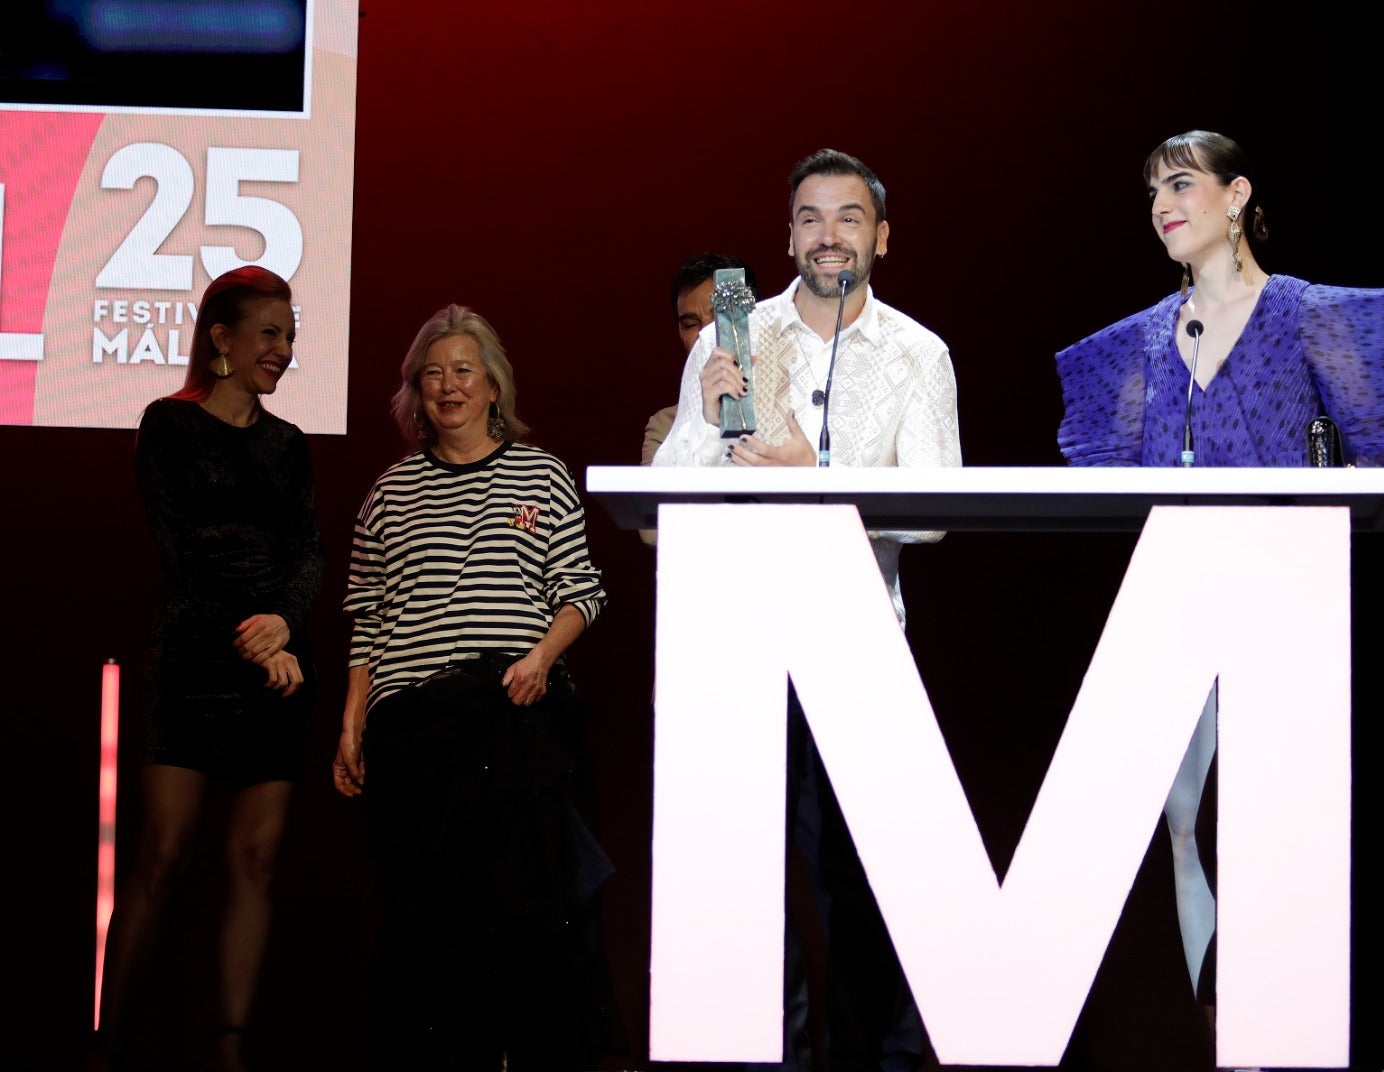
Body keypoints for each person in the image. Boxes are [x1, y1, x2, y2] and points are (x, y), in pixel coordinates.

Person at [1053, 129, 1384, 1054]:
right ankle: (1226, 1031)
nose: (1162, 205)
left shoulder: (1304, 314)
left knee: (1273, 824)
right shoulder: (1142, 340)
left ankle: (1284, 1022)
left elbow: (1371, 450)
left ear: (1236, 195)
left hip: (1279, 596)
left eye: (1181, 184)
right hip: (1175, 596)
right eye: (1151, 193)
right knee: (1183, 824)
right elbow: (1111, 479)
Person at [653, 147, 962, 1072]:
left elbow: (938, 513)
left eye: (849, 218)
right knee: (744, 882)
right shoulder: (730, 338)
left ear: (882, 238)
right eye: (812, 218)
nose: (830, 235)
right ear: (788, 235)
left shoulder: (919, 352)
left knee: (860, 883)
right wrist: (708, 423)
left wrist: (819, 480)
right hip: (744, 643)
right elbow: (668, 492)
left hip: (861, 646)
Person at [332, 304, 627, 1071]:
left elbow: (583, 591)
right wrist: (353, 721)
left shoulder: (541, 472)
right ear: (414, 392)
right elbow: (367, 619)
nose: (448, 385)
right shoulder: (389, 494)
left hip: (513, 715)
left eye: (463, 370)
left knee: (531, 922)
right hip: (414, 725)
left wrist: (537, 659)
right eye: (432, 374)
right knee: (426, 929)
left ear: (494, 384)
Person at [95, 266, 324, 1072]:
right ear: (220, 339)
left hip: (278, 668)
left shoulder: (289, 444)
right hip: (193, 656)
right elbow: (179, 550)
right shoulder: (168, 424)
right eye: (270, 333)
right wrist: (255, 632)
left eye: (291, 335)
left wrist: (285, 628)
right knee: (162, 855)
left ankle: (229, 1048)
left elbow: (308, 554)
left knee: (257, 861)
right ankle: (111, 1040)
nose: (284, 350)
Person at [639, 251, 758, 546]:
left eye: (718, 316)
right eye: (690, 323)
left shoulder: (792, 404)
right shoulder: (665, 424)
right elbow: (651, 530)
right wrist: (707, 422)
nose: (704, 334)